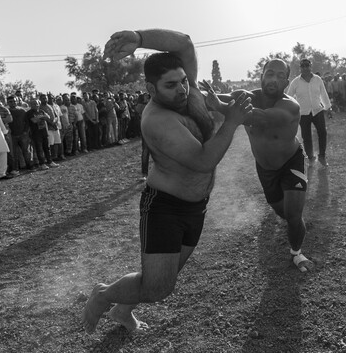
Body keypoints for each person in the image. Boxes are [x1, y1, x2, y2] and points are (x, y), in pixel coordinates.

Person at [82, 29, 252, 334]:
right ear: (151, 88)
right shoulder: (158, 119)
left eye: (184, 80)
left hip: (196, 206)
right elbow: (203, 160)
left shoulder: (187, 91)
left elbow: (184, 42)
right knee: (159, 288)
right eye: (171, 85)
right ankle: (104, 294)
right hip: (166, 208)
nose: (182, 89)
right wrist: (232, 121)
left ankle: (123, 312)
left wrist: (138, 37)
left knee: (165, 275)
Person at [204, 58, 314, 273]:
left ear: (286, 81)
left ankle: (296, 253)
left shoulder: (290, 105)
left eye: (280, 76)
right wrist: (202, 97)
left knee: (293, 215)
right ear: (262, 75)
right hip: (265, 168)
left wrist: (219, 106)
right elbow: (215, 99)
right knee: (281, 212)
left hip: (291, 161)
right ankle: (294, 221)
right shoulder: (245, 96)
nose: (274, 79)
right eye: (270, 73)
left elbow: (260, 117)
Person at [286, 59, 331, 166]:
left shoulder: (317, 79)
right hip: (303, 113)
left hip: (317, 110)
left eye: (307, 66)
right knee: (306, 137)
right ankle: (311, 157)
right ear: (300, 68)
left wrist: (328, 107)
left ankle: (322, 156)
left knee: (322, 133)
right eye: (303, 66)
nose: (305, 68)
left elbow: (323, 94)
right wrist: (290, 111)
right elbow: (289, 97)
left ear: (311, 66)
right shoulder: (295, 82)